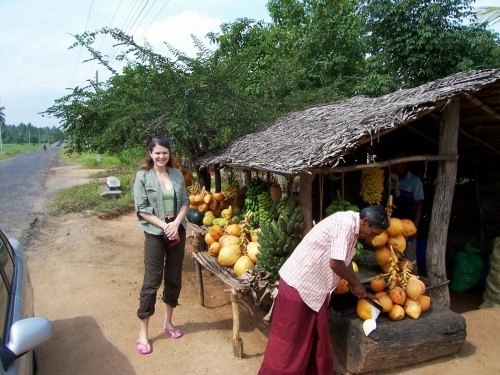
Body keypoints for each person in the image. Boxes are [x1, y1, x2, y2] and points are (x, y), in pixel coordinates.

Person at [258, 205, 390, 375]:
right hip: (299, 284)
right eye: (373, 232)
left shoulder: (354, 228)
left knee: (314, 339)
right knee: (288, 343)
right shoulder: (344, 224)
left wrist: (355, 285)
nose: (372, 238)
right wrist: (356, 284)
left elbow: (344, 260)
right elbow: (335, 263)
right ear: (364, 222)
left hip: (316, 290)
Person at [133, 136, 190, 355]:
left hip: (178, 231)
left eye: (164, 152)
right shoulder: (143, 177)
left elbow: (185, 202)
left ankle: (168, 323)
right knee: (152, 280)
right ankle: (143, 332)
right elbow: (142, 209)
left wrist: (175, 223)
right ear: (150, 154)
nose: (161, 156)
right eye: (157, 152)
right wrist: (165, 226)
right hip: (156, 234)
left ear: (169, 154)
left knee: (174, 277)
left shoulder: (176, 174)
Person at [389, 158, 424, 273]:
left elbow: (419, 204)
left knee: (409, 260)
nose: (393, 168)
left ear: (403, 164)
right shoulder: (391, 181)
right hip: (393, 228)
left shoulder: (414, 181)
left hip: (408, 228)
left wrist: (415, 226)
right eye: (392, 166)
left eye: (396, 165)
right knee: (393, 260)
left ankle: (413, 284)